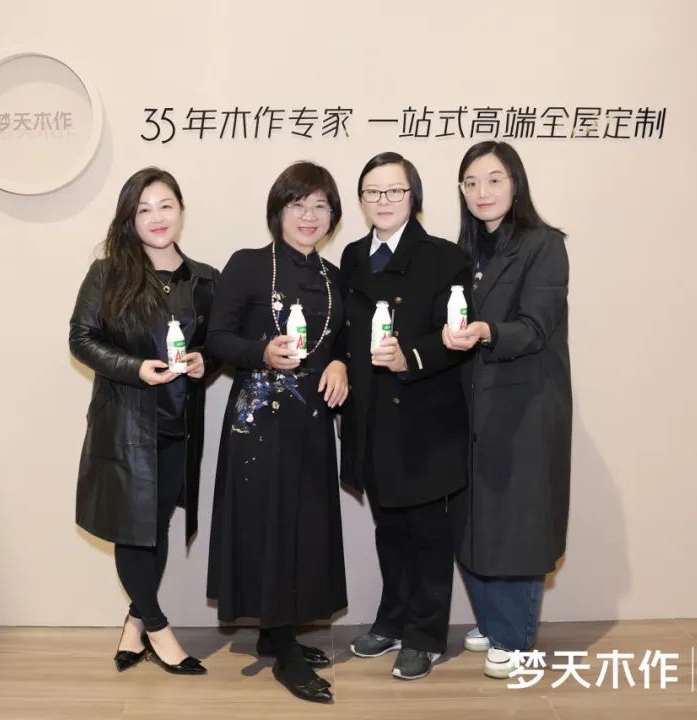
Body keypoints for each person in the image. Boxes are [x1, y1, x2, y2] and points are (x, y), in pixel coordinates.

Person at [205, 161, 349, 704]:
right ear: (277, 211)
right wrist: (260, 352)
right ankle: (284, 650)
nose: (309, 216)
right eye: (297, 204)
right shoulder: (248, 264)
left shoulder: (334, 276)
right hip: (259, 423)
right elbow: (217, 337)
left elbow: (341, 342)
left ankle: (275, 632)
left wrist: (340, 364)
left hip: (312, 423)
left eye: (320, 206)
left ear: (333, 215)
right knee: (269, 527)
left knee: (304, 526)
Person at [69, 167, 218, 676]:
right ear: (130, 219)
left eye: (165, 205)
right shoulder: (108, 274)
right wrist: (135, 368)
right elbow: (81, 339)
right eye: (144, 209)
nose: (156, 217)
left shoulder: (204, 279)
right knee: (133, 531)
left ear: (181, 211)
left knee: (156, 528)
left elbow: (216, 346)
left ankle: (134, 622)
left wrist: (203, 362)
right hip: (126, 427)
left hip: (178, 424)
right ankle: (157, 628)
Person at [338, 152, 470, 681]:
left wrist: (409, 357)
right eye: (372, 192)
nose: (383, 201)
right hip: (369, 415)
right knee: (388, 529)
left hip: (424, 418)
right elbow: (344, 330)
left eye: (394, 190)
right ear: (361, 200)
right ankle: (392, 620)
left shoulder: (444, 258)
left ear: (414, 196)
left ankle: (425, 635)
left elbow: (456, 337)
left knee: (428, 534)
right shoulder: (352, 255)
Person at [442, 140, 572, 678]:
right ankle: (496, 621)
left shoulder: (544, 244)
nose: (482, 192)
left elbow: (536, 326)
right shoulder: (466, 252)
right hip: (471, 403)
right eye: (471, 182)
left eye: (494, 179)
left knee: (516, 519)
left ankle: (516, 640)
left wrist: (487, 331)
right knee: (474, 516)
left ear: (515, 183)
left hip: (523, 406)